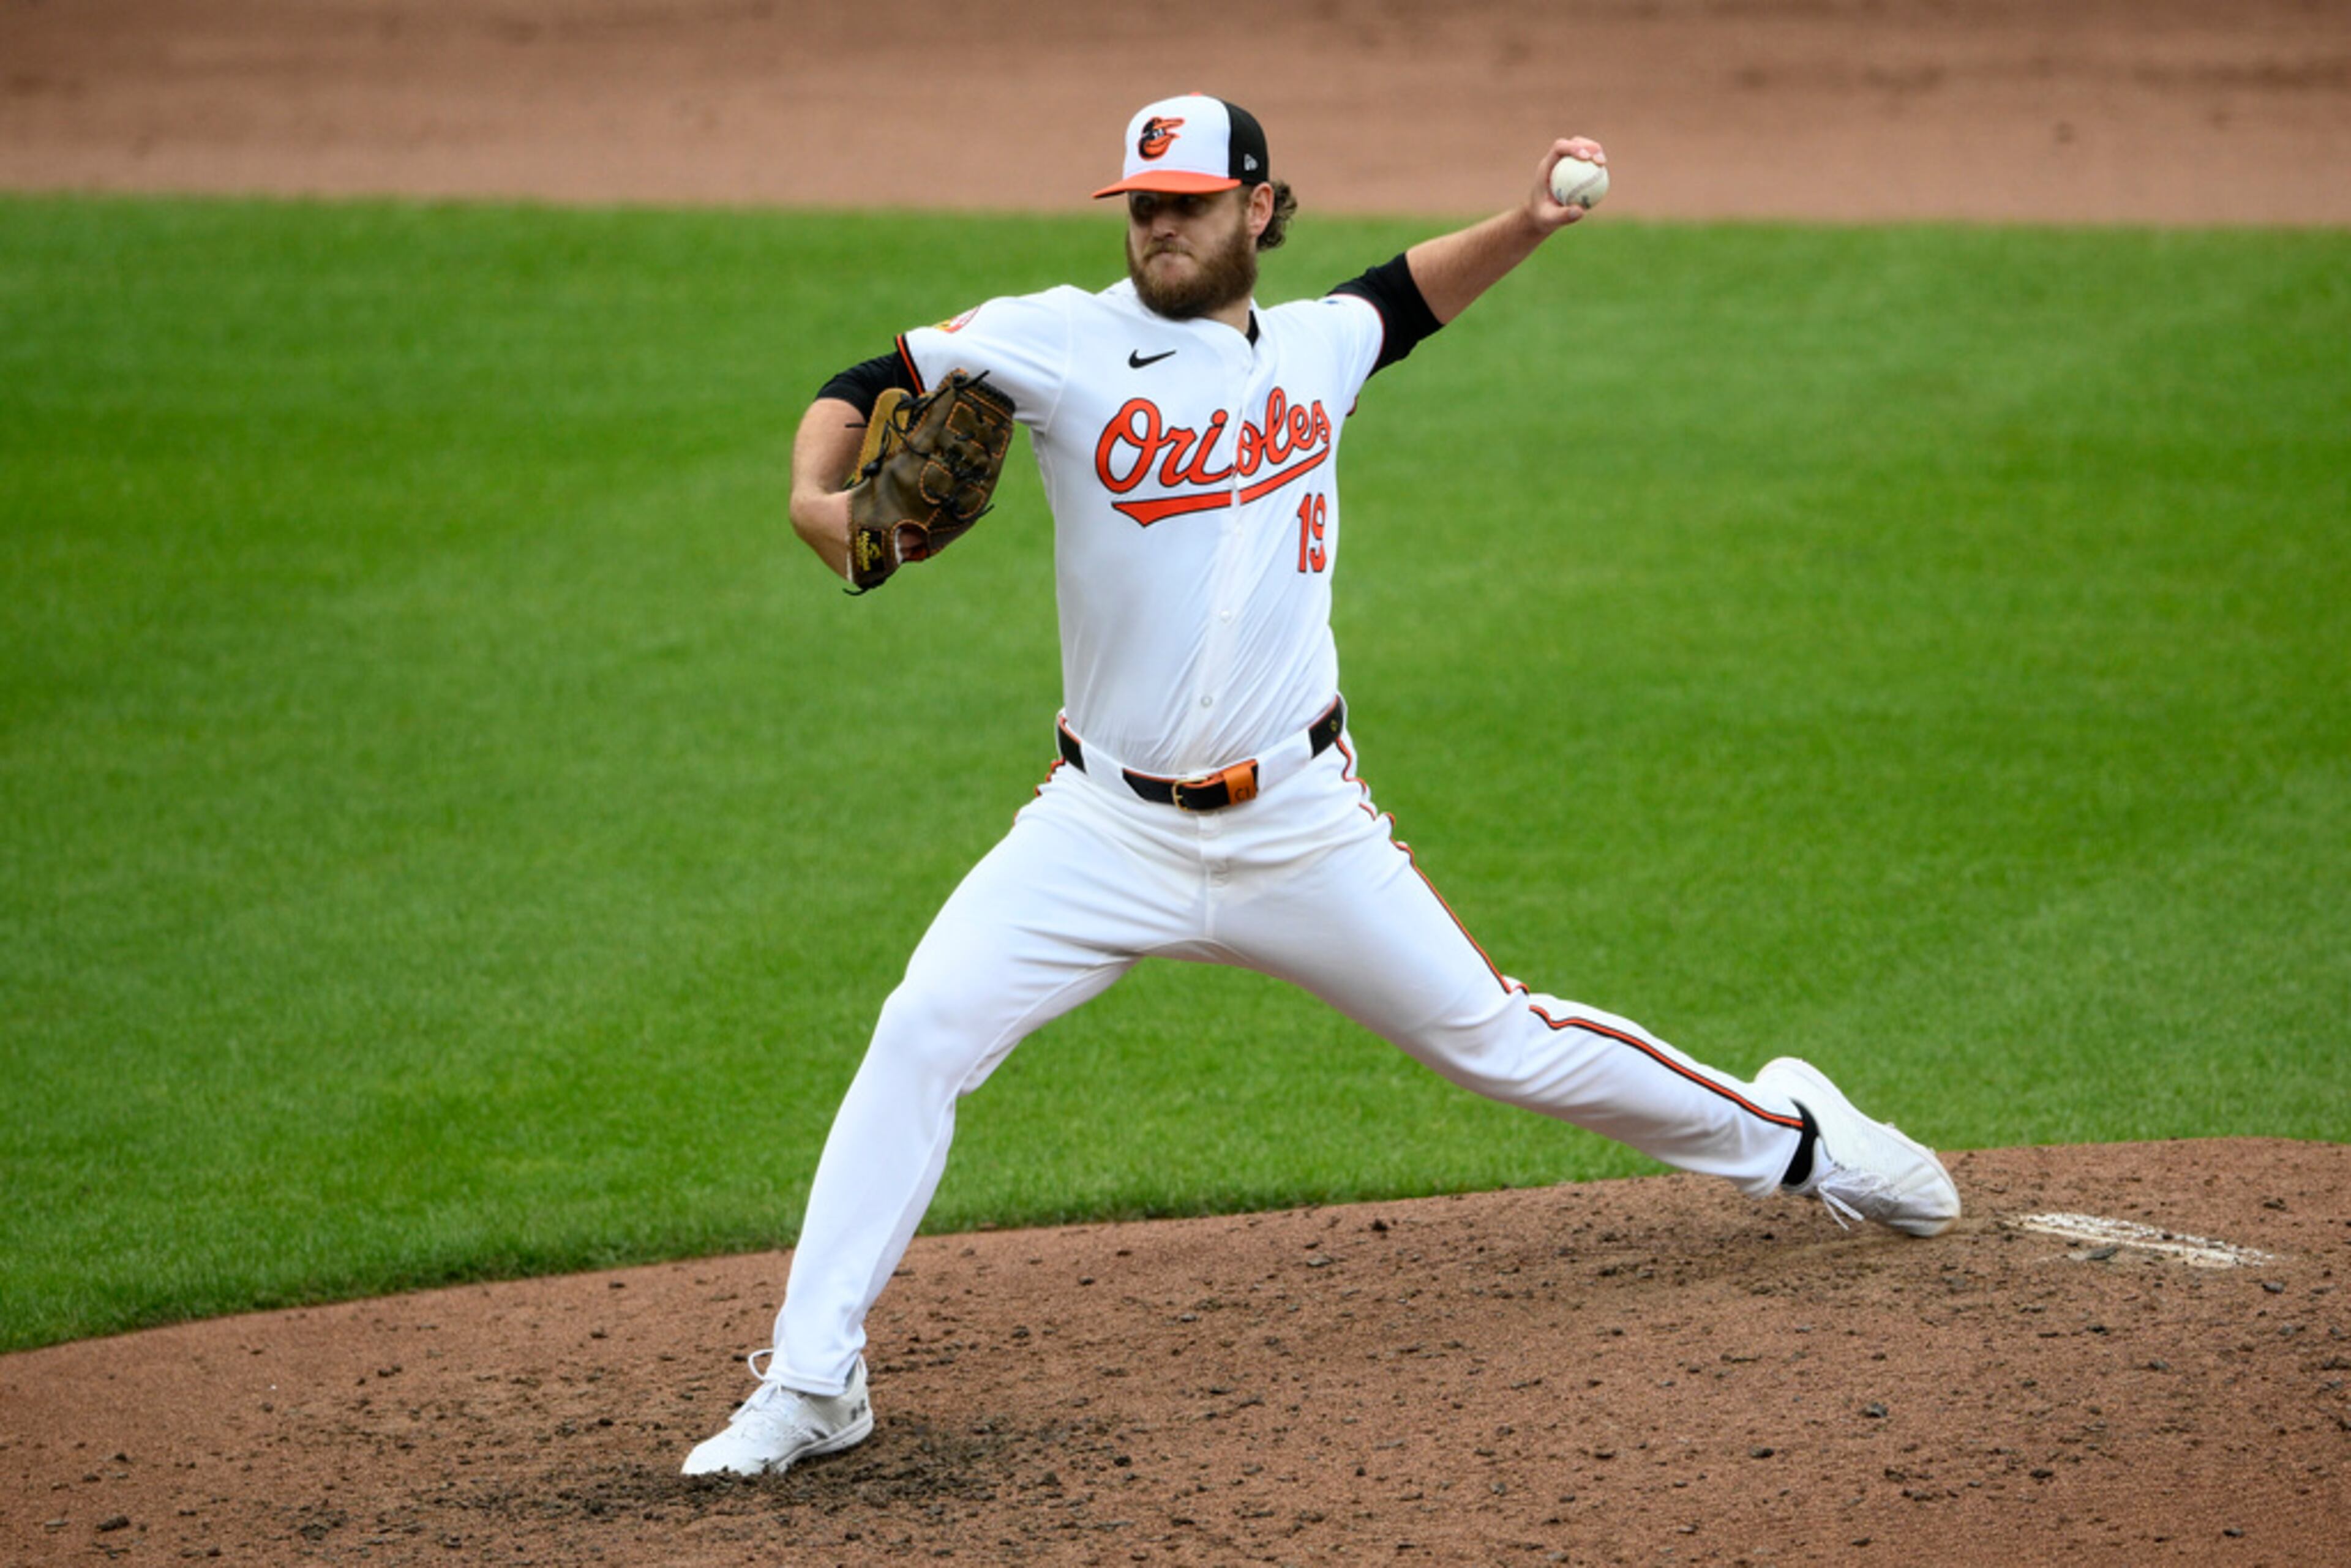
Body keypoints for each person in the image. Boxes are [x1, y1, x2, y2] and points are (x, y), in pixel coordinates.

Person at [681, 94, 1959, 1479]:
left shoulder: (1317, 349)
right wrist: (820, 500)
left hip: (1300, 824)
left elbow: (1405, 298)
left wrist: (1529, 223)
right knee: (922, 1028)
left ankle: (1801, 1140)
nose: (1159, 226)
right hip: (1102, 829)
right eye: (1142, 205)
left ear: (1260, 210)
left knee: (1501, 1042)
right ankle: (816, 1384)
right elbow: (867, 376)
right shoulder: (1051, 336)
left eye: (1187, 201)